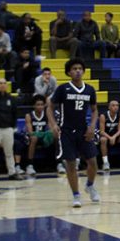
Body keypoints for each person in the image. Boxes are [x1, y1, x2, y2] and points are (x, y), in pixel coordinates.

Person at [48, 58, 101, 207]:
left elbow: (95, 109)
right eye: (74, 68)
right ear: (69, 72)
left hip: (84, 130)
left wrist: (92, 126)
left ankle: (89, 185)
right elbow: (49, 107)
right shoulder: (63, 89)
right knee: (70, 164)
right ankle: (76, 195)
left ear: (83, 71)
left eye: (80, 68)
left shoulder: (90, 89)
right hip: (66, 131)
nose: (77, 70)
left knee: (93, 162)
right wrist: (53, 125)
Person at [23, 95, 54, 177]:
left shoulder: (47, 114)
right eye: (38, 104)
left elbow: (51, 129)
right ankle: (30, 165)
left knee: (56, 136)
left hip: (43, 136)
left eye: (42, 104)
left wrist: (49, 133)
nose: (40, 106)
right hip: (30, 138)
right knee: (34, 138)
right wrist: (43, 134)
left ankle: (59, 163)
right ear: (34, 106)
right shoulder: (29, 115)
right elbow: (30, 132)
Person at [99, 99, 120, 171]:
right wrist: (110, 138)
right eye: (113, 105)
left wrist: (114, 137)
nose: (115, 107)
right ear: (109, 107)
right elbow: (102, 131)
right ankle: (106, 163)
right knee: (103, 139)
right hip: (106, 136)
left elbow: (119, 130)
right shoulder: (103, 116)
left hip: (115, 136)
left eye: (117, 105)